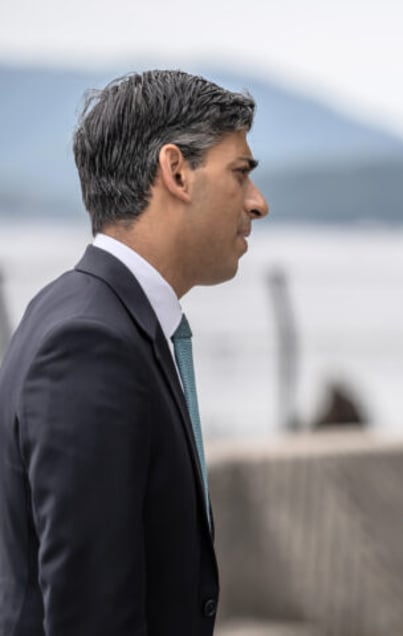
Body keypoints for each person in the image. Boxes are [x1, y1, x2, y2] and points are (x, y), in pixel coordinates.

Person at [0, 70, 269, 635]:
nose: (257, 202)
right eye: (240, 173)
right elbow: (90, 612)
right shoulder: (89, 342)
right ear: (175, 172)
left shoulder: (79, 310)